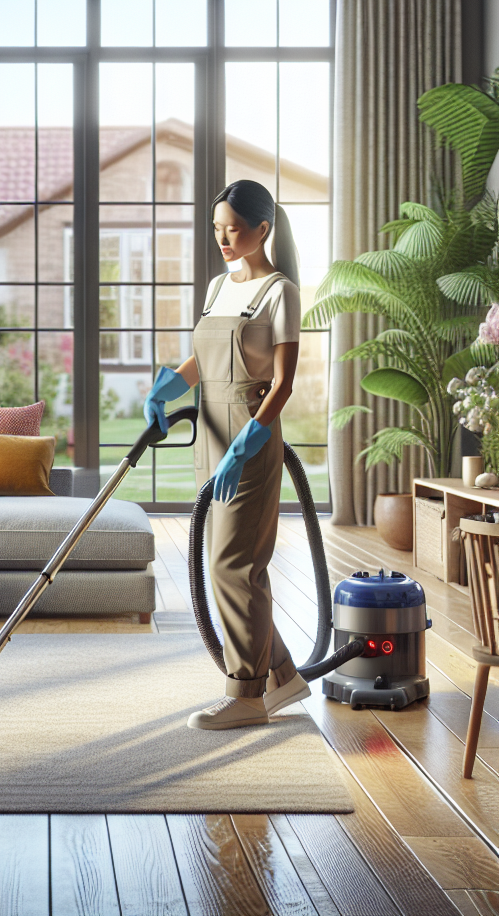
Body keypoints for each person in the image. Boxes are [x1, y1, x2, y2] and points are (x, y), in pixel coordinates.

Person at [145, 179, 310, 730]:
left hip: (250, 437)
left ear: (262, 229)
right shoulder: (219, 287)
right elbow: (202, 362)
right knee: (227, 566)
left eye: (232, 229)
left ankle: (246, 695)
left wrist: (249, 442)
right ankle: (281, 675)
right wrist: (166, 389)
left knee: (233, 565)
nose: (222, 239)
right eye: (216, 228)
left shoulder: (280, 292)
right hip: (210, 434)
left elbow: (283, 383)